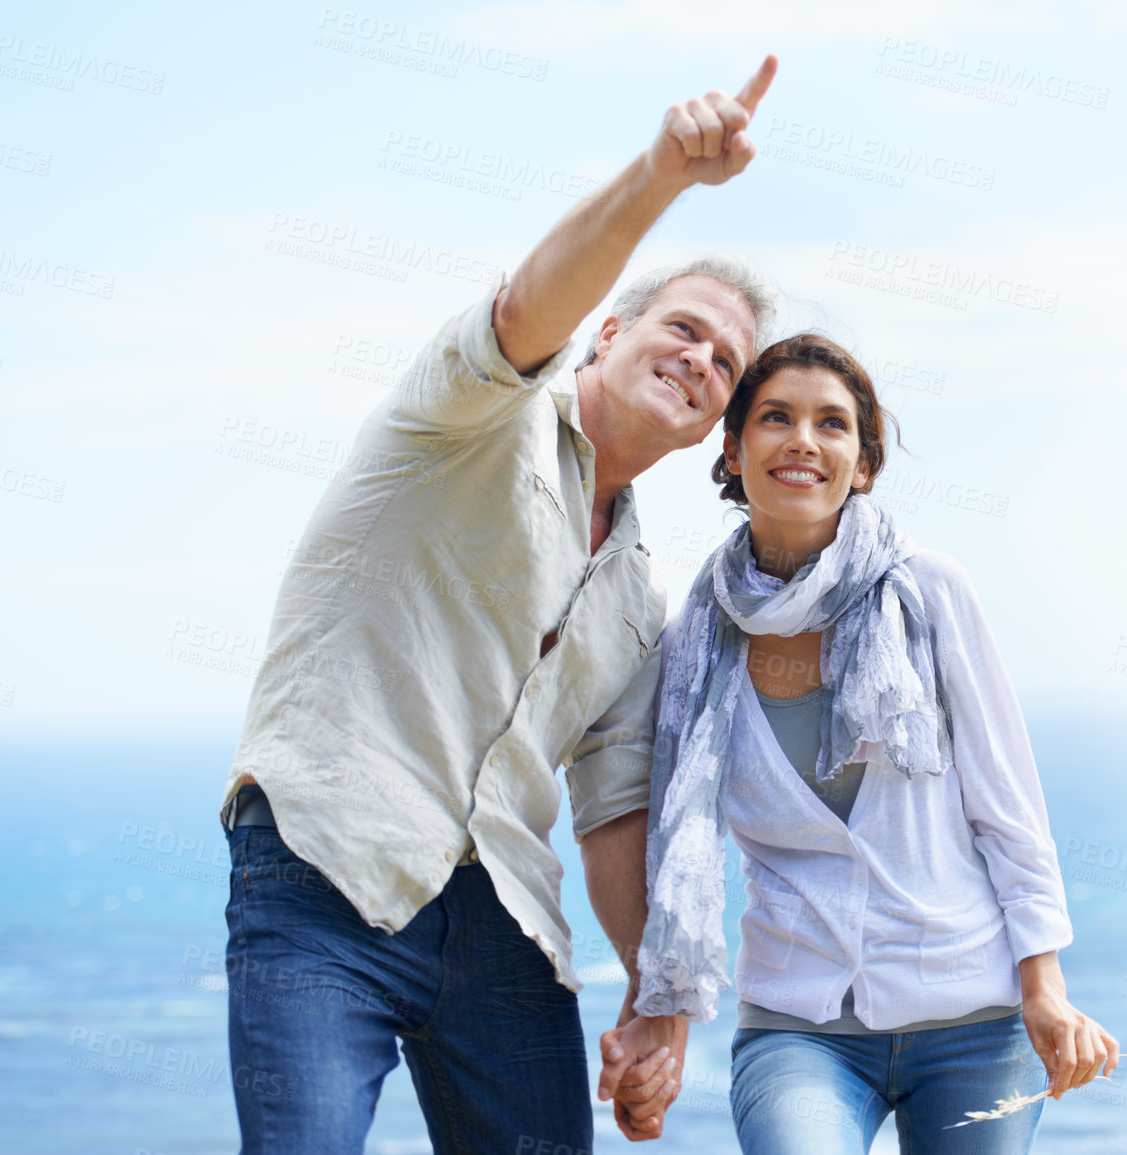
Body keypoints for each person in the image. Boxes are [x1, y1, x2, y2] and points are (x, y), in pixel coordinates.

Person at [217, 57, 780, 1152]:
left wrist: (655, 992)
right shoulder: (472, 414)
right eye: (682, 329)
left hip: (503, 928)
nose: (702, 359)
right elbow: (529, 304)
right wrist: (661, 176)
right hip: (328, 860)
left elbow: (614, 809)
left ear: (716, 427)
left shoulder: (642, 597)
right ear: (610, 337)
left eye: (725, 362)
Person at [599, 334, 1120, 1151]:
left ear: (862, 462)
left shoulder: (930, 592)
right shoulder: (691, 645)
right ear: (732, 451)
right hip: (796, 1022)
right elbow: (660, 836)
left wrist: (1042, 988)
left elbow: (1007, 806)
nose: (803, 440)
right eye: (776, 417)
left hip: (975, 1023)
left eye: (832, 424)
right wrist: (656, 1017)